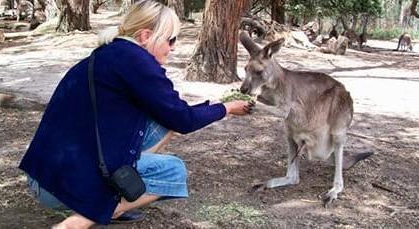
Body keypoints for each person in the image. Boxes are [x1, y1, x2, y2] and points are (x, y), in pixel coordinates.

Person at [18, 1, 251, 228]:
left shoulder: (108, 53)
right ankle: (88, 217)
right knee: (174, 170)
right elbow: (184, 120)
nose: (173, 47)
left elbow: (175, 114)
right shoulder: (136, 61)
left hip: (43, 178)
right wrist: (226, 108)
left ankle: (115, 190)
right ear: (145, 36)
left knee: (162, 121)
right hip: (61, 186)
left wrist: (216, 107)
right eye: (170, 40)